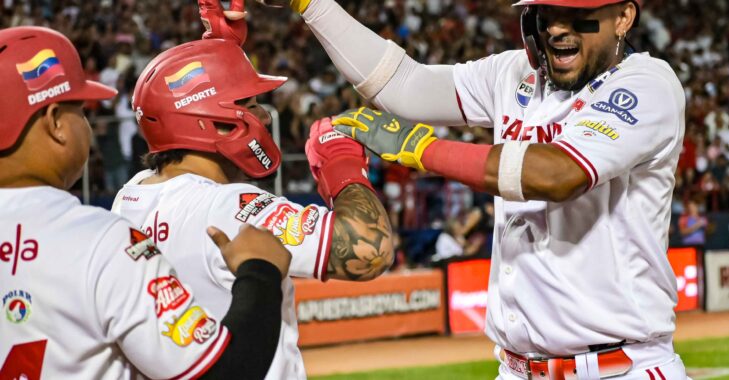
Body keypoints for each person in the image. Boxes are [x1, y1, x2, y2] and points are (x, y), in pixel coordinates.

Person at [271, 0, 689, 378]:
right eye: (547, 13)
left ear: (623, 18)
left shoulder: (646, 84)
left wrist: (420, 148)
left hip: (619, 367)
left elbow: (558, 175)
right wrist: (311, 4)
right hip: (516, 368)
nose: (558, 28)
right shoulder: (515, 73)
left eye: (579, 15)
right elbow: (402, 84)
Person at [111, 6, 394, 378]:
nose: (262, 117)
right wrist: (342, 166)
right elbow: (370, 248)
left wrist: (221, 54)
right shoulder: (228, 207)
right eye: (250, 104)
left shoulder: (129, 197)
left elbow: (183, 101)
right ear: (217, 122)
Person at [0, 26, 291, 379]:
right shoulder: (101, 241)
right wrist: (260, 271)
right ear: (56, 123)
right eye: (80, 110)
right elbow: (223, 373)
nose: (88, 125)